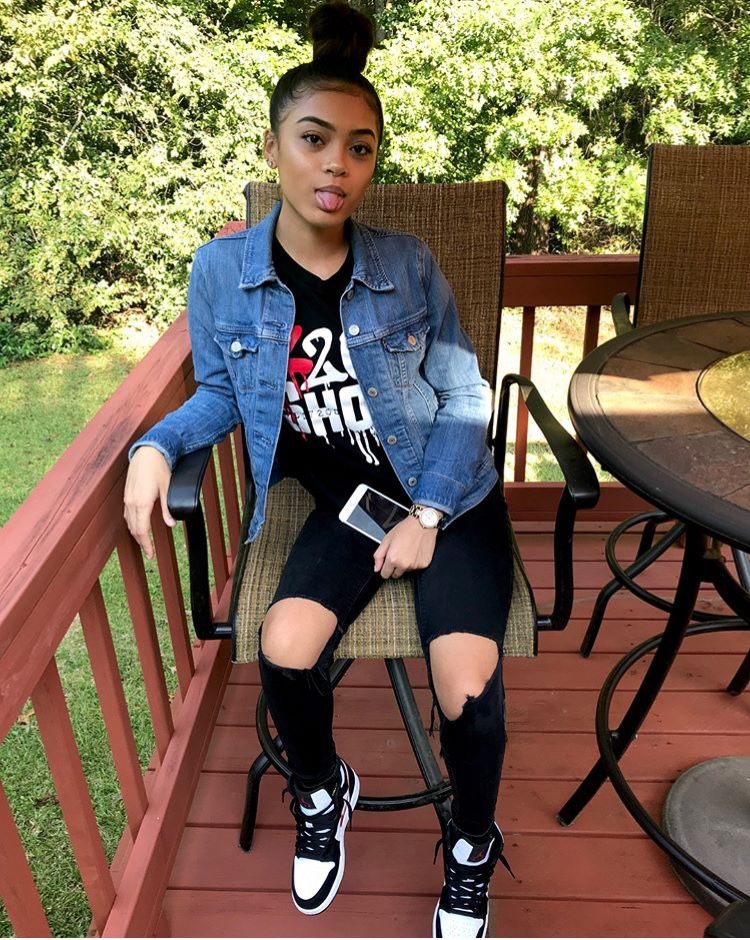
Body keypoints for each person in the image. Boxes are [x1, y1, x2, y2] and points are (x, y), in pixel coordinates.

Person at [124, 3, 514, 936]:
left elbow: (465, 397)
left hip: (446, 490)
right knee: (284, 649)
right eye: (313, 139)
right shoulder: (220, 272)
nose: (337, 164)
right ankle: (321, 788)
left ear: (372, 164)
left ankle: (470, 845)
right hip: (355, 500)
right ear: (273, 149)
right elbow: (222, 391)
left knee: (467, 689)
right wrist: (156, 444)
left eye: (360, 148)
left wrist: (428, 513)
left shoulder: (407, 264)